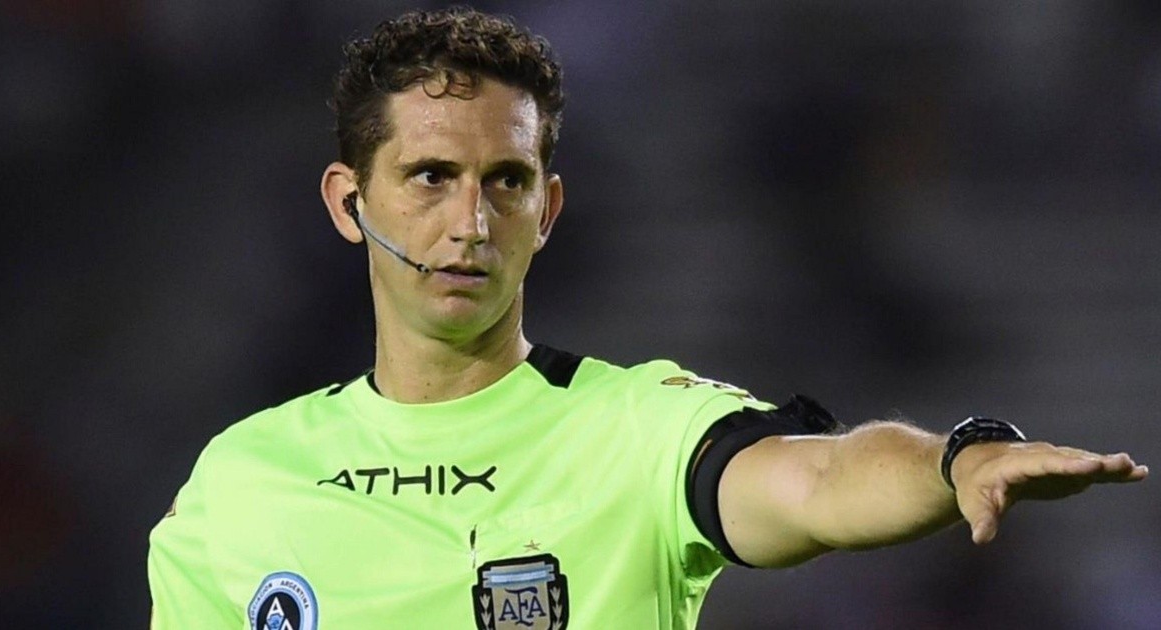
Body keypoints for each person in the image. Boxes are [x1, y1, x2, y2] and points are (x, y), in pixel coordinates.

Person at [147, 8, 1148, 630]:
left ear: (548, 209)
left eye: (507, 180)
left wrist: (954, 460)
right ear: (347, 202)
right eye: (430, 177)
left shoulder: (641, 428)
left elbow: (821, 478)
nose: (470, 222)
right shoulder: (241, 482)